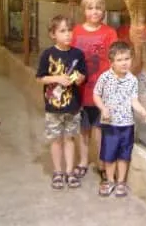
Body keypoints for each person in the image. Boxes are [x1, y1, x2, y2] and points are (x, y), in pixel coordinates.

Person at [93, 41, 146, 197]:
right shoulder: (105, 78)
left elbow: (134, 100)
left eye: (127, 59)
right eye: (119, 60)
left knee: (124, 154)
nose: (124, 63)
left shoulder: (132, 80)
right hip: (110, 124)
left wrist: (142, 111)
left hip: (127, 125)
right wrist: (103, 108)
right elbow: (96, 94)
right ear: (111, 62)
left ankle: (121, 182)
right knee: (109, 154)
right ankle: (110, 180)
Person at [36, 14, 86, 190]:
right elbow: (40, 78)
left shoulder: (78, 54)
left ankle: (70, 171)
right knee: (56, 140)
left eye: (70, 30)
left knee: (70, 139)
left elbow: (83, 77)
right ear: (53, 34)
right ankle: (58, 171)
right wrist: (57, 78)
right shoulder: (47, 54)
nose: (68, 34)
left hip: (72, 106)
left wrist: (78, 79)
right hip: (53, 107)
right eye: (63, 31)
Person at [71, 0, 117, 180]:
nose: (94, 12)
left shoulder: (109, 33)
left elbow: (114, 60)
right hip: (80, 90)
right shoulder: (76, 32)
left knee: (99, 130)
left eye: (98, 8)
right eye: (90, 8)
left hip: (101, 91)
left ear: (103, 10)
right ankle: (83, 161)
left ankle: (101, 162)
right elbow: (70, 59)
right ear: (84, 10)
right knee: (83, 129)